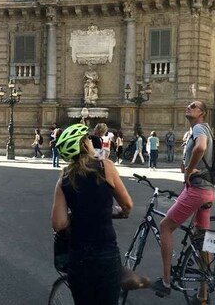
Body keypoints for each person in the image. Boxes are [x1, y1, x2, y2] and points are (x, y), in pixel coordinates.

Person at [51, 122, 148, 304]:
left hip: (78, 255)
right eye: (87, 138)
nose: (90, 140)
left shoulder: (64, 178)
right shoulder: (105, 167)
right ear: (84, 144)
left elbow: (59, 224)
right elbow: (127, 204)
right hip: (106, 253)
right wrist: (115, 213)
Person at [151, 101, 215, 297]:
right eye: (188, 105)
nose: (189, 107)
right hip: (208, 190)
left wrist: (188, 171)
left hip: (196, 189)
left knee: (165, 227)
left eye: (193, 106)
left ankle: (166, 281)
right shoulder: (204, 129)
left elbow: (201, 147)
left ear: (202, 113)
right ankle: (203, 292)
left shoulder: (198, 127)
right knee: (201, 238)